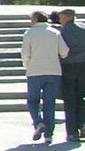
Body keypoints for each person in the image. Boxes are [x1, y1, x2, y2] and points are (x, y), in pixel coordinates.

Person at [22, 9, 70, 143]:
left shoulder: (29, 33)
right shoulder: (55, 33)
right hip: (53, 72)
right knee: (49, 104)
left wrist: (27, 65)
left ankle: (38, 123)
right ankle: (49, 134)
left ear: (36, 19)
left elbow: (25, 53)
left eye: (31, 19)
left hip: (34, 72)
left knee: (32, 101)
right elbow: (64, 52)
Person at [58, 8, 85, 142]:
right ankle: (83, 123)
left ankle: (72, 132)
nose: (60, 20)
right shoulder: (83, 28)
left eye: (61, 17)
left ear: (67, 17)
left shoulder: (62, 32)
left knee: (69, 100)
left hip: (68, 66)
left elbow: (60, 50)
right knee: (81, 96)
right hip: (83, 65)